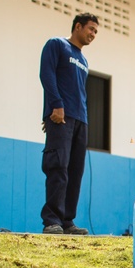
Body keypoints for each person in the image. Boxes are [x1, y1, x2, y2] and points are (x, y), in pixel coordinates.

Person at [39, 13, 99, 235]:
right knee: (58, 166)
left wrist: (82, 119)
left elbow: (79, 92)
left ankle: (67, 220)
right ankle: (52, 220)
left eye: (95, 32)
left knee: (75, 171)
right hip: (61, 117)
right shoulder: (57, 45)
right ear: (78, 26)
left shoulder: (83, 60)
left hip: (80, 120)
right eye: (90, 29)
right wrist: (54, 107)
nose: (93, 34)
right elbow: (46, 75)